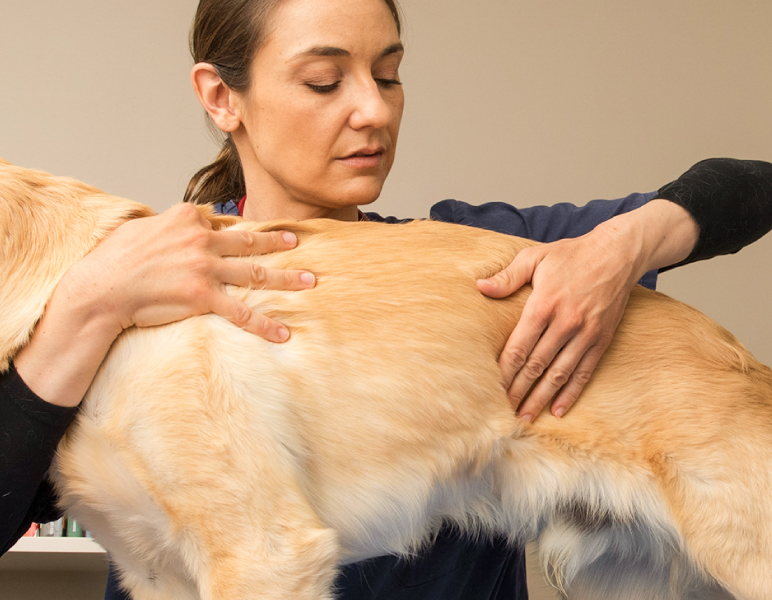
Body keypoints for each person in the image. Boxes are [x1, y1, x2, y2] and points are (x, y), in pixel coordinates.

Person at [1, 0, 770, 598]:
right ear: (220, 96)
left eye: (390, 74)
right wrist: (86, 306)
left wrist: (621, 247)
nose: (373, 110)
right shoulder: (127, 310)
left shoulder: (489, 255)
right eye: (325, 80)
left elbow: (753, 189)